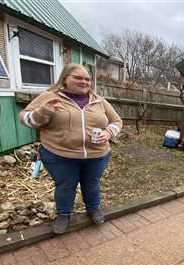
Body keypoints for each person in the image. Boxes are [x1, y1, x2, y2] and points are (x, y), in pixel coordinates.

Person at [18, 63, 123, 234]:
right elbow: (24, 119)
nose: (83, 82)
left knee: (92, 183)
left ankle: (94, 209)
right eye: (78, 77)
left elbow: (117, 121)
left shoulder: (99, 101)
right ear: (65, 79)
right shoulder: (50, 97)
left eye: (87, 79)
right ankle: (63, 214)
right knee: (65, 185)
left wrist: (108, 133)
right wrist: (42, 112)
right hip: (60, 155)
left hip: (96, 155)